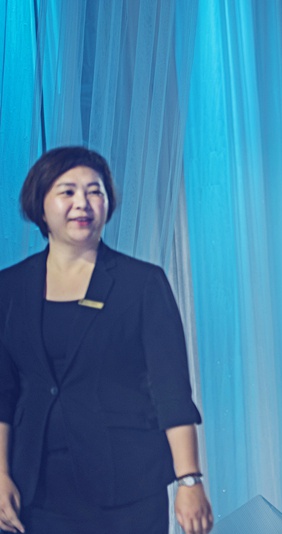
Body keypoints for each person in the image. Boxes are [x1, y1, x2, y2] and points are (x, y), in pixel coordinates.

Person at [0, 147, 213, 534]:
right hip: (33, 490)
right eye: (67, 191)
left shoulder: (142, 283)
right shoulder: (9, 287)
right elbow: (3, 393)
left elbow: (172, 392)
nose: (82, 202)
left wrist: (189, 481)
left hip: (127, 489)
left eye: (94, 191)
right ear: (40, 205)